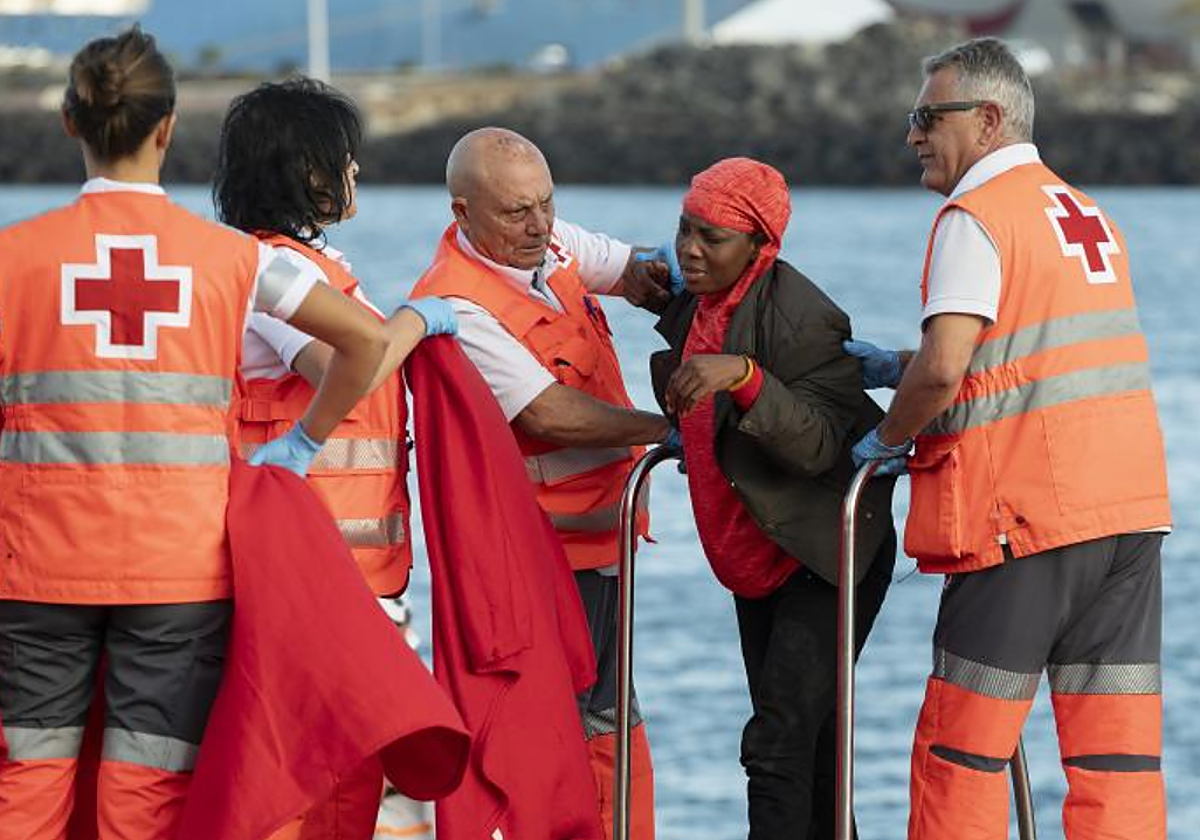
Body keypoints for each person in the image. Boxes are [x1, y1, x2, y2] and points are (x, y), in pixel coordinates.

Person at [0, 27, 385, 840]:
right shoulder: (235, 261)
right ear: (169, 127)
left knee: (26, 784)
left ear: (70, 122)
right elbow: (365, 342)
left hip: (36, 567)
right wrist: (304, 442)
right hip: (178, 573)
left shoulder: (13, 258)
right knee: (148, 791)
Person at [847, 38, 1172, 840]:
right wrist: (898, 361)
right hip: (1127, 517)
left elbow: (948, 369)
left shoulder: (976, 216)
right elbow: (1030, 348)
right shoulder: (1081, 211)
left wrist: (889, 436)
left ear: (988, 120)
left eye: (928, 117)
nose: (913, 135)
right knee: (1116, 759)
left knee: (960, 752)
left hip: (1023, 520)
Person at [212, 78, 458, 840]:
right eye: (346, 162)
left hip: (351, 582)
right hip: (314, 582)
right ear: (312, 174)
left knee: (360, 792)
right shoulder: (274, 278)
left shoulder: (307, 268)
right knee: (327, 794)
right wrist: (416, 323)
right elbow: (339, 366)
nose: (356, 176)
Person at [410, 126, 671, 840]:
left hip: (603, 548)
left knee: (615, 722)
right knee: (570, 734)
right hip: (545, 562)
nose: (538, 226)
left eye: (546, 204)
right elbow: (551, 413)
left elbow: (638, 269)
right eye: (516, 213)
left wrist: (702, 289)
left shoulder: (550, 247)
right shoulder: (458, 306)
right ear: (463, 215)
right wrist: (673, 430)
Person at [646, 157, 896, 839]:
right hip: (758, 550)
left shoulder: (803, 318)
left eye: (712, 238)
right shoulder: (698, 295)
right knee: (809, 742)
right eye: (683, 230)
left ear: (760, 246)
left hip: (825, 551)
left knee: (778, 742)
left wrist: (747, 378)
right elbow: (635, 275)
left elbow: (817, 443)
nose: (690, 250)